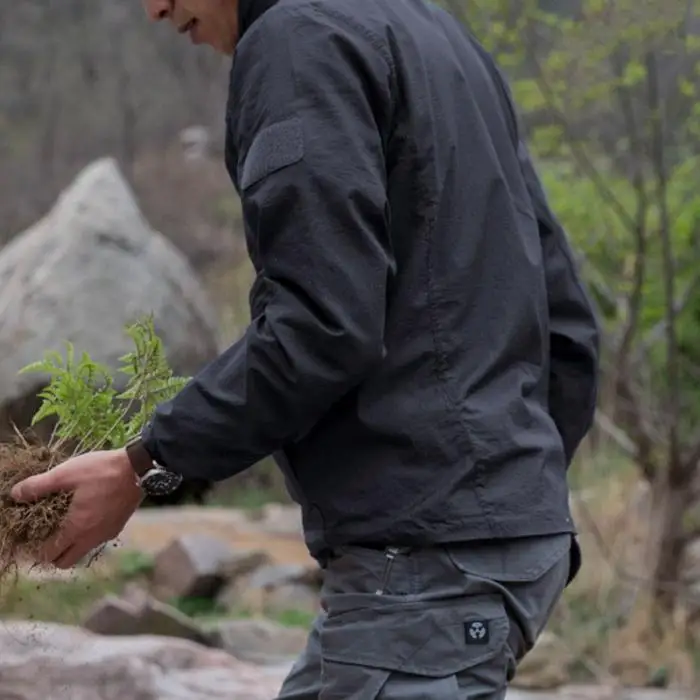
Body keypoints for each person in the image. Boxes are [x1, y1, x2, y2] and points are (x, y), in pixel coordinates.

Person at [12, 0, 600, 696]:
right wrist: (507, 494)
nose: (156, 9)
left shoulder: (298, 43)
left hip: (426, 569)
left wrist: (145, 463)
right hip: (480, 549)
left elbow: (321, 325)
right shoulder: (436, 34)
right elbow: (567, 322)